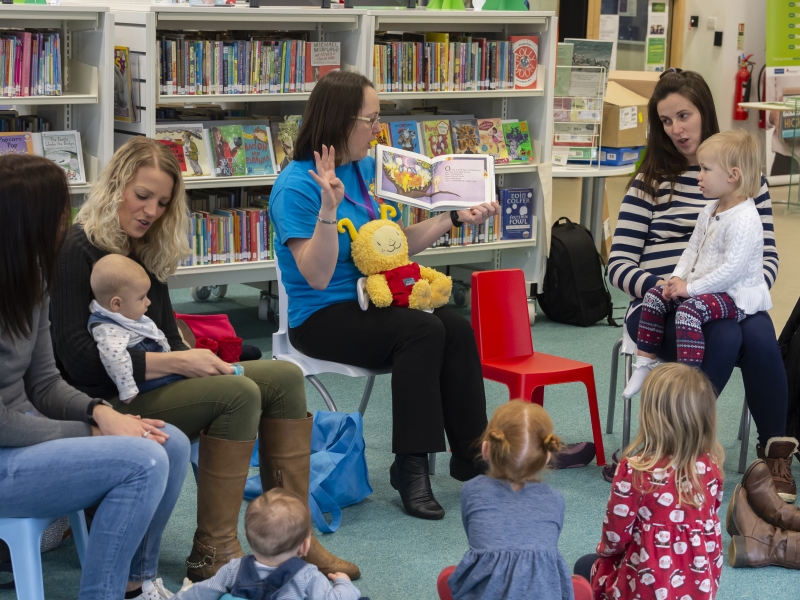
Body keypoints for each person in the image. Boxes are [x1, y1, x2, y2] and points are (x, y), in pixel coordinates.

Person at [49, 137, 358, 581]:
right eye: (142, 196)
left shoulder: (145, 248)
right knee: (237, 393)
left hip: (152, 385)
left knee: (284, 376)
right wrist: (179, 364)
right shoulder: (76, 249)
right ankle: (213, 550)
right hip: (103, 402)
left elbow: (162, 336)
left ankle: (294, 537)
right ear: (115, 187)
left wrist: (189, 357)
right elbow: (75, 361)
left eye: (162, 202)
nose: (151, 211)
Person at [268, 70, 498, 521]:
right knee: (422, 330)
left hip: (374, 300)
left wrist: (452, 217)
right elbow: (315, 276)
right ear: (339, 122)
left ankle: (472, 455)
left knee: (452, 322)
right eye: (370, 120)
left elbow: (393, 246)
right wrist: (329, 211)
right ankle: (410, 466)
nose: (378, 130)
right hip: (321, 317)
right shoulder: (296, 186)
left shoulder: (361, 170)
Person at [0, 154, 190, 600]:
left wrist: (100, 411)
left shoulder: (32, 280)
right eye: (57, 214)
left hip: (22, 437)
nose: (64, 226)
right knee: (143, 461)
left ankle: (136, 585)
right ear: (27, 221)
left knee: (172, 444)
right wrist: (88, 427)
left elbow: (44, 381)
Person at [607, 68, 796, 501]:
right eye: (666, 121)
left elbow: (766, 255)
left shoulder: (746, 179)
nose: (676, 129)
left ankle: (774, 453)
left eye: (684, 116)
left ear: (704, 113)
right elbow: (617, 265)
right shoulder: (649, 181)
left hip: (727, 300)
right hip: (661, 307)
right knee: (730, 333)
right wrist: (669, 288)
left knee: (760, 332)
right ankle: (684, 448)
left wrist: (743, 293)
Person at [622, 130, 771, 399]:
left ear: (732, 175)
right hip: (707, 288)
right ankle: (644, 364)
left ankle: (686, 381)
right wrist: (675, 280)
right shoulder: (710, 209)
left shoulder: (745, 218)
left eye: (705, 169)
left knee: (688, 312)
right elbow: (691, 250)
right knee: (655, 297)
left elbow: (730, 272)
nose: (698, 176)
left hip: (734, 296)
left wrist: (689, 290)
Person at [575, 363, 725, 600]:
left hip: (642, 589)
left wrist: (604, 553)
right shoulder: (711, 466)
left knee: (584, 567)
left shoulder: (635, 469)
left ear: (651, 418)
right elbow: (712, 524)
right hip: (699, 588)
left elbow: (615, 537)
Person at [442, 401, 574, 600]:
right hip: (544, 592)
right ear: (547, 455)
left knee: (451, 576)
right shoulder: (555, 500)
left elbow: (475, 537)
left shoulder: (472, 491)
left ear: (486, 448)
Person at [173, 489, 362, 600]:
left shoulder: (234, 569)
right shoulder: (308, 576)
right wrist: (343, 583)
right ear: (305, 546)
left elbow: (200, 593)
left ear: (247, 537)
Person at [89, 254, 184, 402]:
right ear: (117, 304)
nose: (148, 302)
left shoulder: (123, 314)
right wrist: (128, 389)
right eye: (142, 298)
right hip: (148, 386)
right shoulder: (108, 329)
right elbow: (114, 358)